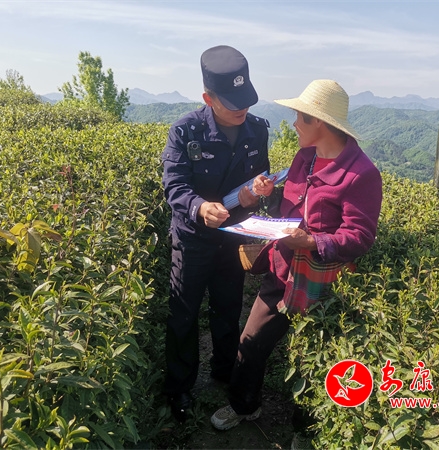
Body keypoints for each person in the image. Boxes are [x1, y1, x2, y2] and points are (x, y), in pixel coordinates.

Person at [210, 79, 383, 430]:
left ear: (319, 122)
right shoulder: (305, 157)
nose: (294, 124)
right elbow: (290, 207)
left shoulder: (361, 174)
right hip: (282, 269)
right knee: (251, 341)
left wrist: (313, 242)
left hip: (321, 283)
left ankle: (305, 430)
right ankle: (244, 405)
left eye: (300, 117)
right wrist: (269, 195)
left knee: (312, 359)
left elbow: (360, 237)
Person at [161, 45, 272, 422]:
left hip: (232, 237)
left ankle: (224, 371)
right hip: (192, 239)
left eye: (246, 99)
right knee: (183, 313)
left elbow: (258, 176)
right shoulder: (185, 131)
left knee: (228, 307)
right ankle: (179, 387)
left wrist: (256, 191)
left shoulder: (256, 130)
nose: (243, 109)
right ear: (208, 98)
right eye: (232, 102)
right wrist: (199, 207)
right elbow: (175, 185)